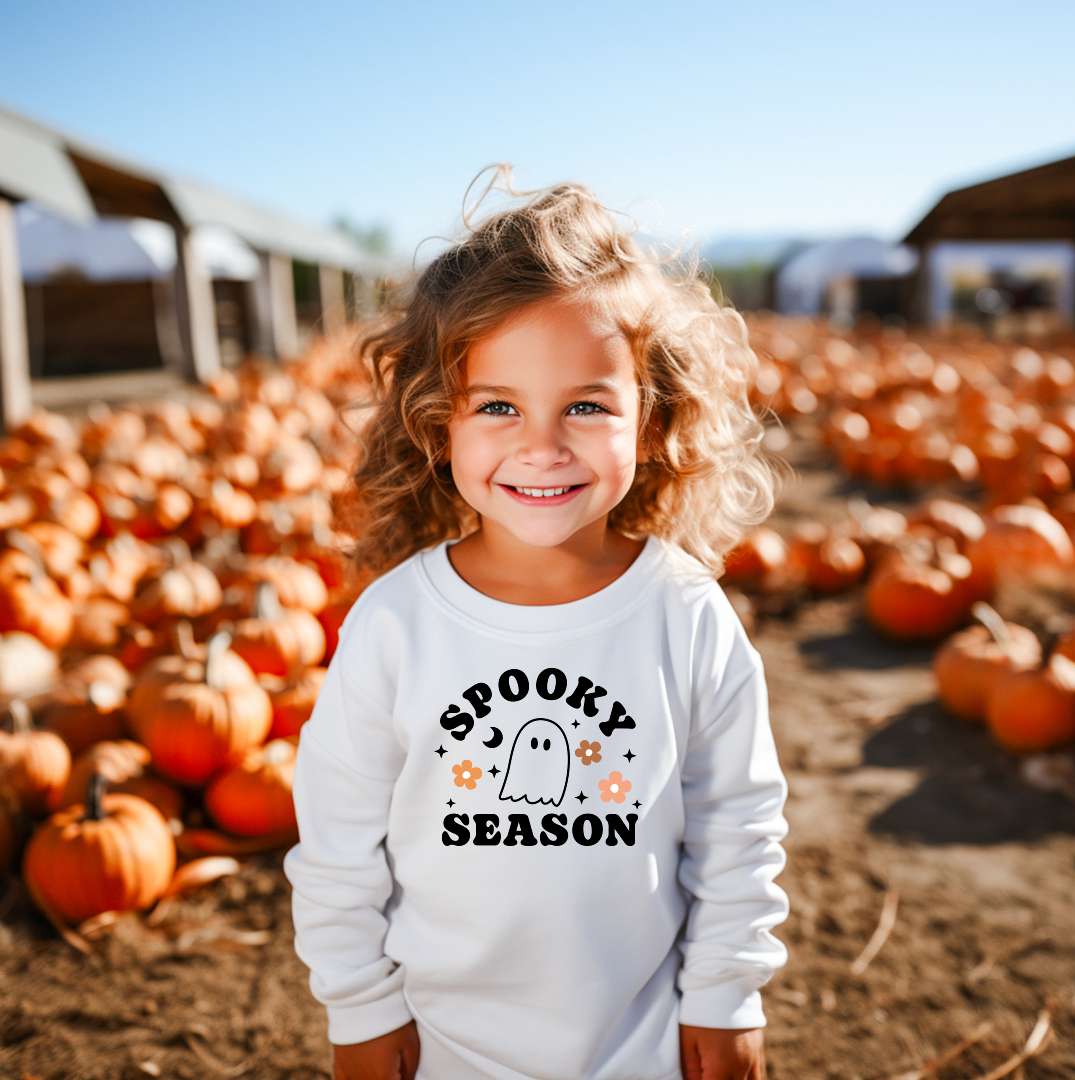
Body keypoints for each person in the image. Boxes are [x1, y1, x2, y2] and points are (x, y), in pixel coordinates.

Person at [284, 171, 789, 1080]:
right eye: (499, 406)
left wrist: (726, 990)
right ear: (440, 425)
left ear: (650, 421)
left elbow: (736, 821)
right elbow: (337, 840)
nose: (543, 446)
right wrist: (357, 1005)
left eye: (586, 406)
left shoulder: (684, 613)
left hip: (641, 1039)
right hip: (443, 1046)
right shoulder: (396, 624)